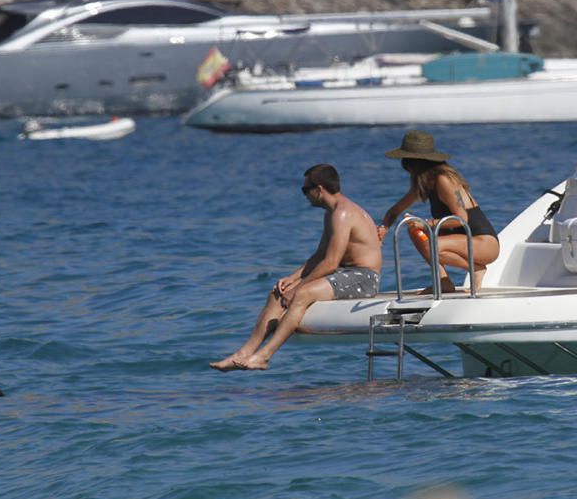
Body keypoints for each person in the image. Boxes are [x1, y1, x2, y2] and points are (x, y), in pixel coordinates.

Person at [210, 164, 382, 371]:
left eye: (305, 190)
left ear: (319, 189)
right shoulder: (332, 213)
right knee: (277, 293)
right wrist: (291, 278)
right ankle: (243, 353)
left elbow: (330, 262)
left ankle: (264, 356)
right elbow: (320, 255)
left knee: (301, 294)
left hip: (364, 278)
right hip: (345, 273)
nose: (305, 195)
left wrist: (299, 286)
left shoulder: (343, 214)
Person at [378, 130, 499, 293]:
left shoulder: (444, 180)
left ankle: (476, 268)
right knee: (413, 228)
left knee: (430, 243)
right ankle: (444, 282)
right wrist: (384, 228)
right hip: (465, 240)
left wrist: (428, 223)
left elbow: (461, 219)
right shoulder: (425, 182)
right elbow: (396, 209)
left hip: (484, 243)